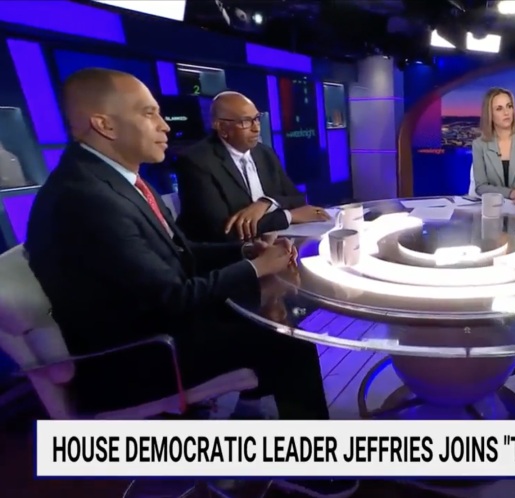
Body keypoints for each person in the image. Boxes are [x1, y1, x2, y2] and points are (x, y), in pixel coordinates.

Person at [25, 68, 357, 498]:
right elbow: (172, 297)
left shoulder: (110, 178)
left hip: (151, 327)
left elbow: (181, 254)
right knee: (287, 341)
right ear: (104, 124)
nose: (165, 126)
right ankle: (309, 466)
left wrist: (245, 252)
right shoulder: (86, 198)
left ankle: (253, 411)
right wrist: (257, 268)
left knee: (271, 310)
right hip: (135, 357)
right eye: (149, 114)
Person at [174, 91, 329, 242]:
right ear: (222, 128)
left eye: (257, 118)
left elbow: (297, 199)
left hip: (270, 242)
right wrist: (289, 216)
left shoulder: (265, 153)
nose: (256, 128)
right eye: (246, 122)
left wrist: (265, 203)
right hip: (223, 253)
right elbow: (224, 230)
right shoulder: (196, 161)